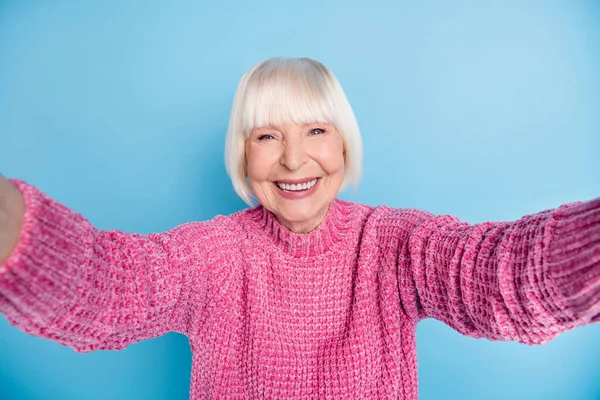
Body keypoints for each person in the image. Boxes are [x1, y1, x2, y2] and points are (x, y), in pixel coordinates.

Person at [0, 57, 598, 399]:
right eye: (267, 136)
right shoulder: (213, 255)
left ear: (344, 142)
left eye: (315, 130)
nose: (292, 160)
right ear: (243, 153)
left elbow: (501, 276)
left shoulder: (395, 245)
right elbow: (106, 288)